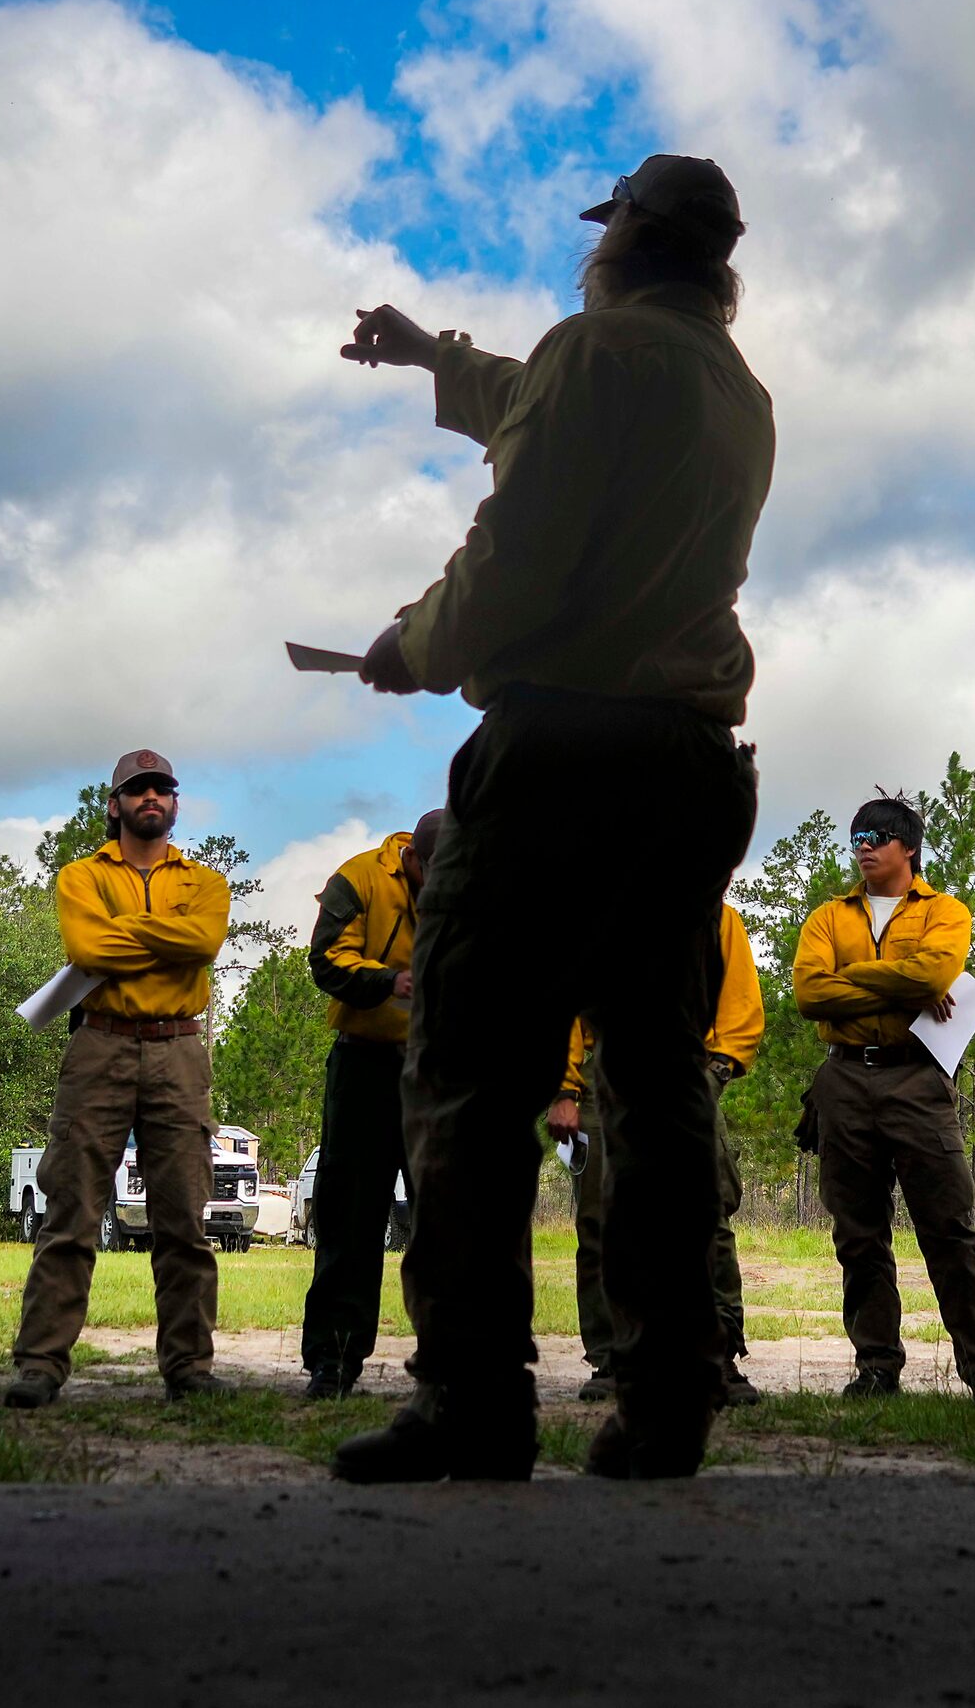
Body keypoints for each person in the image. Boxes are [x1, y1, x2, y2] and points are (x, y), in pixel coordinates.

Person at [331, 153, 770, 1481]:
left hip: (561, 752)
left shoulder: (597, 352)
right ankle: (668, 1402)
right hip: (687, 764)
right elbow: (536, 402)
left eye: (607, 224)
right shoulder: (729, 388)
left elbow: (516, 552)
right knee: (654, 1081)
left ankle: (475, 1402)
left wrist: (410, 644)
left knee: (469, 1077)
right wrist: (430, 356)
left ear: (628, 235)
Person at [4, 750, 235, 1407]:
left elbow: (205, 943)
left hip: (179, 1049)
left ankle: (189, 1367)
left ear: (174, 802)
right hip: (99, 1045)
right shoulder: (81, 874)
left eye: (162, 788)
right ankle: (40, 1365)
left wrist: (130, 935)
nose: (151, 797)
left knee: (184, 1219)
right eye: (137, 790)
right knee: (71, 1210)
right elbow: (87, 949)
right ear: (115, 805)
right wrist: (169, 935)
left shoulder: (206, 881)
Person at [793, 797, 975, 1403]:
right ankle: (876, 1366)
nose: (864, 844)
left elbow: (932, 977)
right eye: (857, 834)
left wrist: (861, 980)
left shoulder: (946, 911)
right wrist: (905, 987)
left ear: (908, 847)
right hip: (842, 1081)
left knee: (948, 1227)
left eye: (879, 836)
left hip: (917, 1080)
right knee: (859, 1235)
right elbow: (811, 994)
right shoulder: (827, 918)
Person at [553, 902, 769, 1409]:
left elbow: (740, 1005)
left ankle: (718, 1356)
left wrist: (712, 1075)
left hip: (687, 1074)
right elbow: (565, 1006)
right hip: (603, 1080)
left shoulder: (717, 916)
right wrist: (564, 1089)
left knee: (704, 1220)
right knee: (601, 1224)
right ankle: (612, 1358)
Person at [297, 808, 446, 1399]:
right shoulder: (358, 878)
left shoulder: (470, 881)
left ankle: (449, 1360)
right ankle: (333, 1361)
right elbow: (325, 961)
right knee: (350, 1215)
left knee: (448, 1220)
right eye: (436, 875)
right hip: (365, 1062)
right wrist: (391, 981)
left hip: (439, 1071)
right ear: (413, 859)